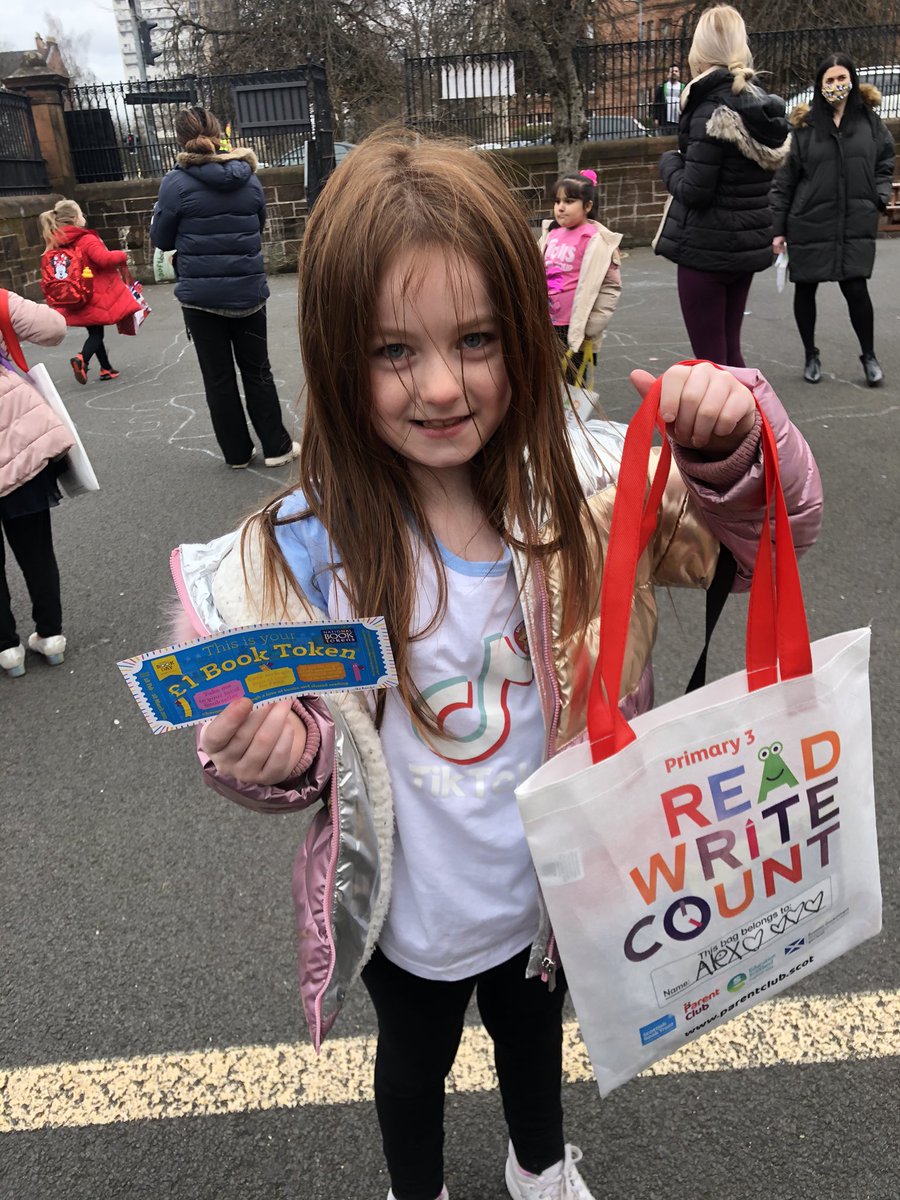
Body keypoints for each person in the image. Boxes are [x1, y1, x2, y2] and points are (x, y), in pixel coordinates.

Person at [171, 132, 823, 1200]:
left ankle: (537, 1165)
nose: (440, 386)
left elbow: (760, 548)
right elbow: (276, 748)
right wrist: (274, 753)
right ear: (338, 355)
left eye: (476, 338)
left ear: (525, 329)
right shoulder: (295, 551)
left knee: (533, 1046)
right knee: (412, 1065)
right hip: (406, 916)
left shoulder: (594, 487)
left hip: (552, 897)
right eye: (393, 351)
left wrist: (730, 446)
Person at [150, 106, 299, 469]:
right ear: (219, 136)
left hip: (201, 297)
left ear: (181, 139)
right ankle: (277, 447)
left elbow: (161, 236)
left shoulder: (175, 183)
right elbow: (257, 224)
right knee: (257, 370)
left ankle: (236, 452)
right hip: (248, 290)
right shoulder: (249, 178)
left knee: (218, 378)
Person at [653, 5, 792, 368]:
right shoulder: (756, 105)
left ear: (699, 51)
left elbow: (696, 191)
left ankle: (738, 425)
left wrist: (668, 163)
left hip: (706, 250)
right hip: (744, 248)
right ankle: (754, 422)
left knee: (712, 363)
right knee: (730, 354)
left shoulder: (710, 107)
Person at [771, 53, 896, 387]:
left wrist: (879, 196)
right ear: (820, 84)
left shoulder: (869, 122)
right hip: (810, 220)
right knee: (806, 289)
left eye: (842, 79)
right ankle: (810, 355)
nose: (836, 85)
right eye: (830, 80)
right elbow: (786, 181)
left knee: (856, 289)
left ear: (852, 80)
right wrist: (778, 229)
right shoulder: (805, 126)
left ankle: (869, 356)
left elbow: (885, 160)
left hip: (854, 220)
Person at [0, 290, 75, 678]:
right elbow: (55, 327)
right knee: (36, 548)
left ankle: (6, 648)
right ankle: (50, 636)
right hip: (17, 440)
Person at [39, 199, 139, 386]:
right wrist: (121, 255)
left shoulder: (55, 241)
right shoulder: (86, 239)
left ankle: (106, 367)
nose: (83, 217)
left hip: (73, 294)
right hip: (93, 293)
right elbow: (103, 259)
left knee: (94, 329)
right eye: (81, 214)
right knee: (96, 334)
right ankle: (81, 359)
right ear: (75, 219)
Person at [539, 169, 622, 382]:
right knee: (546, 379)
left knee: (573, 383)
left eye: (569, 201)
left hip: (575, 326)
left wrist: (592, 324)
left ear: (588, 206)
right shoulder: (552, 233)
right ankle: (551, 416)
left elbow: (610, 286)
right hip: (546, 321)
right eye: (557, 201)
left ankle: (573, 417)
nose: (561, 207)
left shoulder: (597, 240)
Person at [653, 64, 683, 132]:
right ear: (668, 74)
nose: (674, 73)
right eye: (672, 71)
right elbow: (656, 103)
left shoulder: (683, 87)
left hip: (678, 121)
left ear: (679, 73)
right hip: (665, 121)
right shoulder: (662, 87)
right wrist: (656, 118)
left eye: (676, 71)